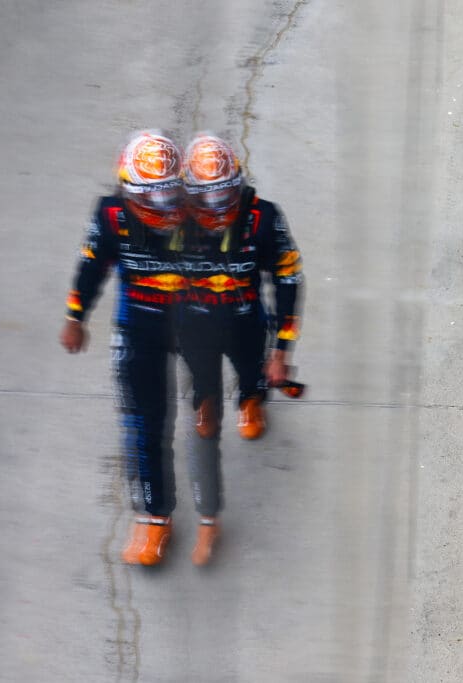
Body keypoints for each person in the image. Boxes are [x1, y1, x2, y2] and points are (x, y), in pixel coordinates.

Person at [60, 131, 187, 566]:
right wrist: (76, 317)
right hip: (139, 327)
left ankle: (251, 390)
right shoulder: (110, 215)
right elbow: (91, 267)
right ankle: (154, 517)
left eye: (169, 194)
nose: (163, 207)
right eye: (152, 197)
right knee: (145, 424)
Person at [177, 132, 303, 565]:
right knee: (203, 407)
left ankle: (251, 399)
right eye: (206, 198)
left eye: (224, 195)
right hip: (195, 330)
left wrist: (282, 351)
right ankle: (208, 516)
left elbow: (288, 279)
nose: (216, 207)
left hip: (247, 323)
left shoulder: (265, 218)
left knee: (252, 374)